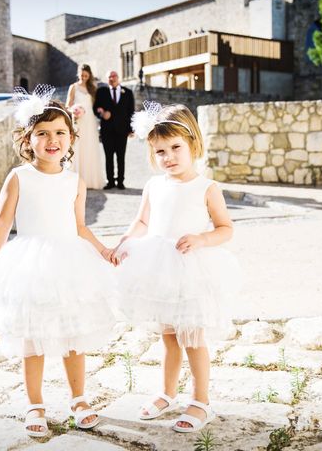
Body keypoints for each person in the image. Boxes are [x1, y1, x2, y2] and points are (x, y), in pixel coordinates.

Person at [0, 85, 116, 438]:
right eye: (43, 133)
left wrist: (103, 251)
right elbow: (2, 223)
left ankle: (79, 399)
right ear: (28, 139)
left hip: (69, 264)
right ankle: (34, 404)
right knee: (33, 339)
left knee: (74, 335)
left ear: (71, 138)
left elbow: (80, 226)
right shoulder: (19, 177)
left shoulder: (75, 181)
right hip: (30, 265)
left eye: (60, 133)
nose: (52, 140)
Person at [109, 101, 241, 433]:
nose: (168, 157)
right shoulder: (155, 186)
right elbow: (142, 221)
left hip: (191, 270)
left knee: (193, 338)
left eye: (175, 148)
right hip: (159, 269)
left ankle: (201, 400)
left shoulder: (206, 188)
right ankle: (167, 392)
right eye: (160, 151)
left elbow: (225, 228)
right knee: (168, 337)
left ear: (193, 144)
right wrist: (124, 242)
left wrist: (200, 238)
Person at [93, 70, 135, 190]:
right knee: (108, 157)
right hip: (107, 131)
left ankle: (120, 181)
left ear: (118, 78)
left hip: (122, 131)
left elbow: (131, 112)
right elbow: (96, 108)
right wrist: (101, 114)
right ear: (107, 79)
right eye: (110, 77)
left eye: (114, 76)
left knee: (121, 157)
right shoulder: (101, 92)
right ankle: (110, 181)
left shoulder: (127, 92)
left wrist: (131, 129)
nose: (112, 78)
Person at [65, 64, 104, 189]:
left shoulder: (92, 88)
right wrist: (74, 112)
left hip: (90, 121)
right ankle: (75, 180)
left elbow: (96, 105)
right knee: (78, 147)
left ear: (89, 75)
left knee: (90, 147)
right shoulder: (73, 87)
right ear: (78, 73)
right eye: (82, 75)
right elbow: (68, 105)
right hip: (78, 121)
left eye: (86, 75)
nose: (84, 77)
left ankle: (90, 180)